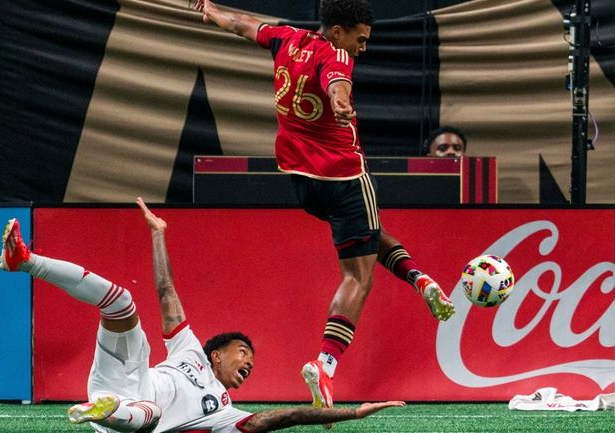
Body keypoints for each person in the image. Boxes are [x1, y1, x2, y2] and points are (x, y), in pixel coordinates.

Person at [195, 0, 455, 415]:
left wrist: (211, 10)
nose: (363, 47)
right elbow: (337, 82)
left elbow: (245, 24)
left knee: (368, 235)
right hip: (344, 177)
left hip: (301, 182)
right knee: (358, 276)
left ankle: (421, 280)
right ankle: (325, 364)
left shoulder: (286, 38)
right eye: (360, 38)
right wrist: (339, 101)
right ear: (338, 31)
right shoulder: (334, 55)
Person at [0, 197, 405, 433]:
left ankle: (104, 412)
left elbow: (277, 418)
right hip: (118, 380)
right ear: (216, 354)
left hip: (134, 423)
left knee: (153, 414)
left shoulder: (227, 411)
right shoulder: (187, 349)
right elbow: (165, 291)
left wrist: (348, 413)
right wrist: (158, 234)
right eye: (243, 352)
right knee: (121, 302)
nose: (249, 362)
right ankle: (26, 259)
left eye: (251, 361)